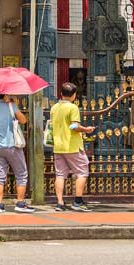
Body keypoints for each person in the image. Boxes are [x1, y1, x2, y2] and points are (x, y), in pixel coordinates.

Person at [0, 93, 34, 213]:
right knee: (21, 173)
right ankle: (20, 203)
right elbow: (23, 120)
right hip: (12, 145)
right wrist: (13, 105)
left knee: (0, 175)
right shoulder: (11, 106)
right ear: (4, 94)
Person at [50, 82, 95, 212]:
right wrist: (86, 129)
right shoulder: (72, 108)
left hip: (58, 146)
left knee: (60, 174)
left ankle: (60, 202)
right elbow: (74, 126)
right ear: (74, 95)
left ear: (61, 93)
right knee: (82, 172)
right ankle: (78, 201)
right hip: (72, 145)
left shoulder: (55, 108)